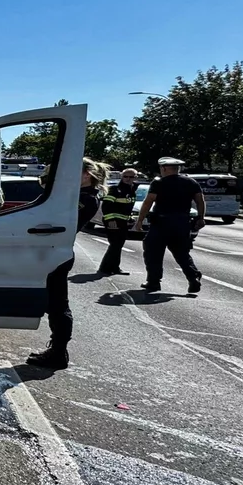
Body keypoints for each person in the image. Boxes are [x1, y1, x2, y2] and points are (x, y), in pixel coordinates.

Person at [26, 158, 107, 369]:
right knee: (55, 304)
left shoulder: (86, 198)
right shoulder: (78, 195)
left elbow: (57, 217)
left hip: (56, 254)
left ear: (87, 175)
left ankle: (58, 352)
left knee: (58, 305)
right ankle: (57, 350)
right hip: (53, 252)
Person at [133, 156, 204, 294]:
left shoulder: (159, 183)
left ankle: (153, 282)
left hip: (161, 223)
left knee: (153, 252)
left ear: (163, 168)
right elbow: (200, 201)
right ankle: (193, 276)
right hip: (182, 223)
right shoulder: (191, 182)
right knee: (182, 253)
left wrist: (140, 220)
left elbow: (148, 202)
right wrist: (201, 218)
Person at [97, 168, 140, 275]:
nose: (128, 179)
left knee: (118, 245)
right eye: (125, 176)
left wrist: (130, 218)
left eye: (131, 177)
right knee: (115, 244)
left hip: (123, 222)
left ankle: (114, 267)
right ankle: (105, 268)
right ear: (122, 177)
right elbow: (107, 206)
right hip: (113, 221)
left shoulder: (132, 190)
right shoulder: (115, 189)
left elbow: (127, 207)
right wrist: (110, 220)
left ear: (135, 178)